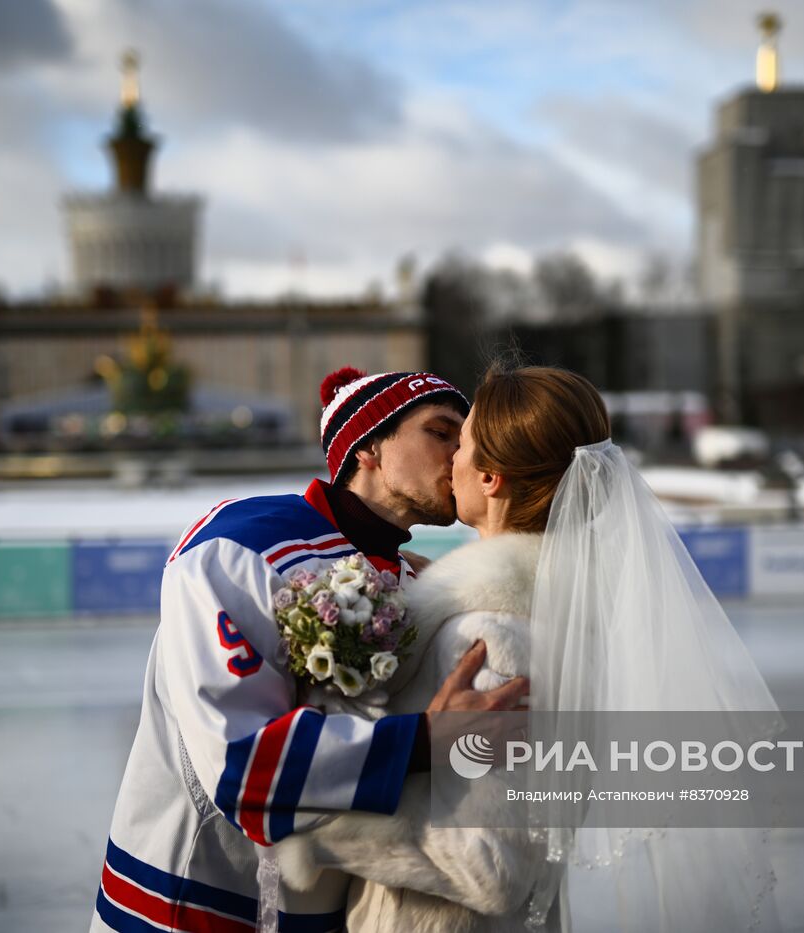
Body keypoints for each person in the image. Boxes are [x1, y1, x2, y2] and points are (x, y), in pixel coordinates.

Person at [276, 365, 781, 931]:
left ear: (491, 478)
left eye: (459, 443)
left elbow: (492, 870)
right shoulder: (547, 613)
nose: (450, 461)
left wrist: (321, 829)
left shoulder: (492, 639)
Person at [90, 367, 530, 933]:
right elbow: (240, 767)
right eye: (441, 432)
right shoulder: (241, 544)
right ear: (369, 445)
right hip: (185, 907)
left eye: (462, 439)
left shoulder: (414, 581)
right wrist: (426, 738)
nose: (460, 455)